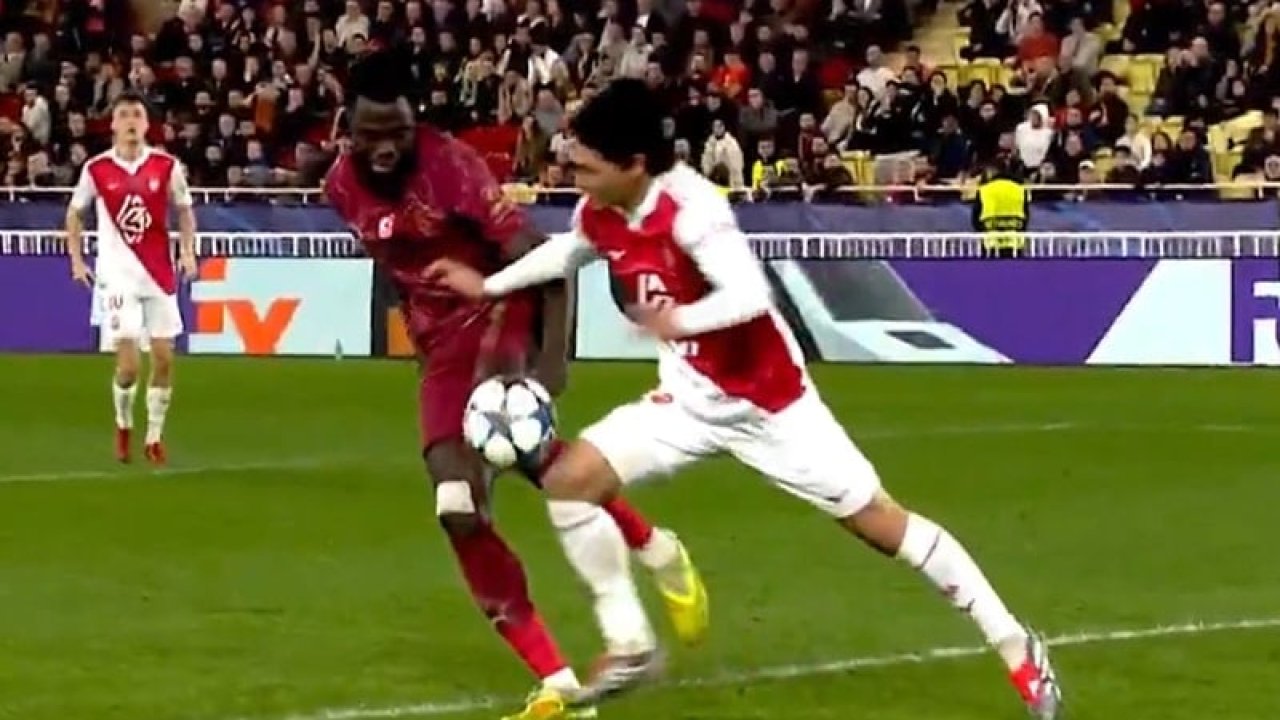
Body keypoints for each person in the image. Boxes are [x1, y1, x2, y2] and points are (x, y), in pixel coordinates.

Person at [427, 78, 1064, 719]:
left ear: (634, 164)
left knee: (880, 524)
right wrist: (490, 286)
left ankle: (1016, 646)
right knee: (569, 481)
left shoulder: (693, 211)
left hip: (770, 406)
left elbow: (749, 295)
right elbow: (570, 251)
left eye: (588, 168)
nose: (578, 179)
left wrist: (678, 320)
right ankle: (630, 644)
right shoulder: (601, 211)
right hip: (687, 400)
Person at [322, 52, 708, 720]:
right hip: (441, 347)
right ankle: (593, 636)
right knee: (477, 496)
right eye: (369, 134)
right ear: (345, 127)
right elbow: (399, 259)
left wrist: (551, 363)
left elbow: (543, 261)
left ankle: (600, 643)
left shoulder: (453, 170)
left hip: (500, 310)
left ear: (418, 122)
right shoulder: (339, 187)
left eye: (398, 132)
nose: (384, 148)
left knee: (493, 471)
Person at [66, 89, 198, 465]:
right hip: (117, 276)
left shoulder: (166, 166)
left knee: (164, 359)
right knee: (128, 367)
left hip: (158, 274)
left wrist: (187, 251)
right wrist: (77, 261)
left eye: (137, 115)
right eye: (123, 115)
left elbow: (185, 211)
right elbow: (75, 214)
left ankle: (154, 436)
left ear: (146, 124)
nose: (130, 122)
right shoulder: (96, 169)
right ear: (112, 124)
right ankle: (123, 423)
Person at [972, 159, 1029, 258]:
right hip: (1015, 241)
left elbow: (975, 217)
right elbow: (1026, 214)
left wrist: (982, 231)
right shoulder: (1020, 189)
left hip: (991, 241)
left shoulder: (984, 190)